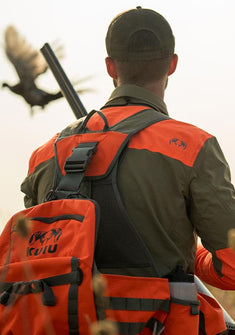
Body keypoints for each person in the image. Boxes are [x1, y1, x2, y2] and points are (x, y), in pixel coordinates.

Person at [21, 6, 235, 334]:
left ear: (110, 67)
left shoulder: (43, 156)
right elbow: (231, 269)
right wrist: (196, 259)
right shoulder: (194, 146)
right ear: (172, 64)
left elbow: (38, 260)